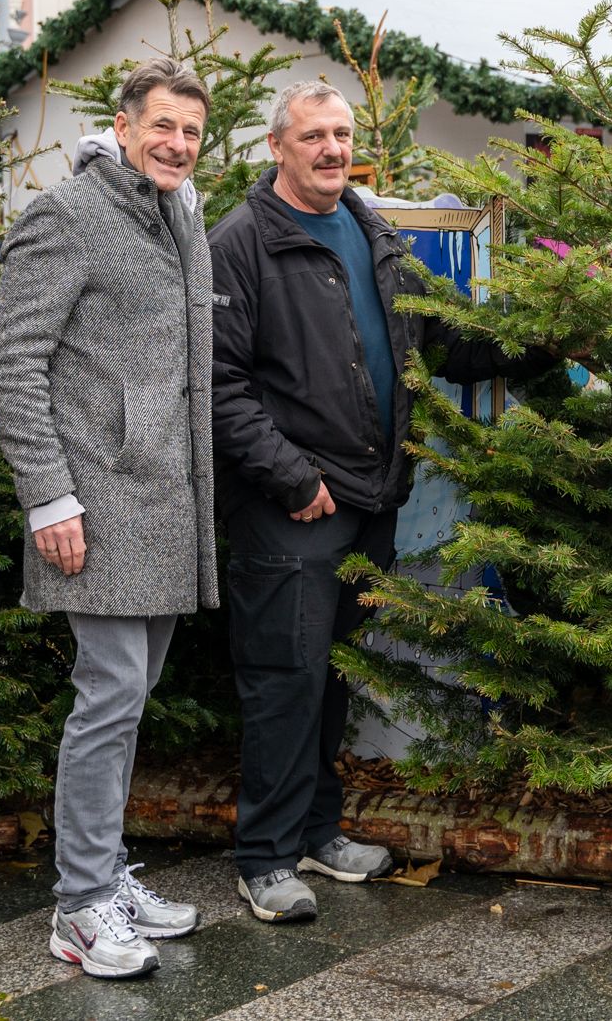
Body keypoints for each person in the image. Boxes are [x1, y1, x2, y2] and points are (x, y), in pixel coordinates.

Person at [208, 79, 550, 926]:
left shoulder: (371, 229)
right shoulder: (243, 243)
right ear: (277, 147)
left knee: (332, 674)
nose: (332, 149)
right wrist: (294, 477)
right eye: (314, 135)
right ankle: (264, 857)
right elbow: (220, 386)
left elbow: (439, 341)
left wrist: (555, 333)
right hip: (293, 507)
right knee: (283, 680)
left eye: (342, 134)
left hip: (371, 499)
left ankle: (318, 830)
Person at [0, 57, 218, 979]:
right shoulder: (68, 215)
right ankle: (80, 905)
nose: (177, 144)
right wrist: (48, 494)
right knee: (109, 699)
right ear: (122, 125)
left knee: (127, 703)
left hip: (166, 499)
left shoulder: (181, 213)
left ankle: (106, 874)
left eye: (192, 132)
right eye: (162, 126)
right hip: (95, 503)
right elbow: (13, 362)